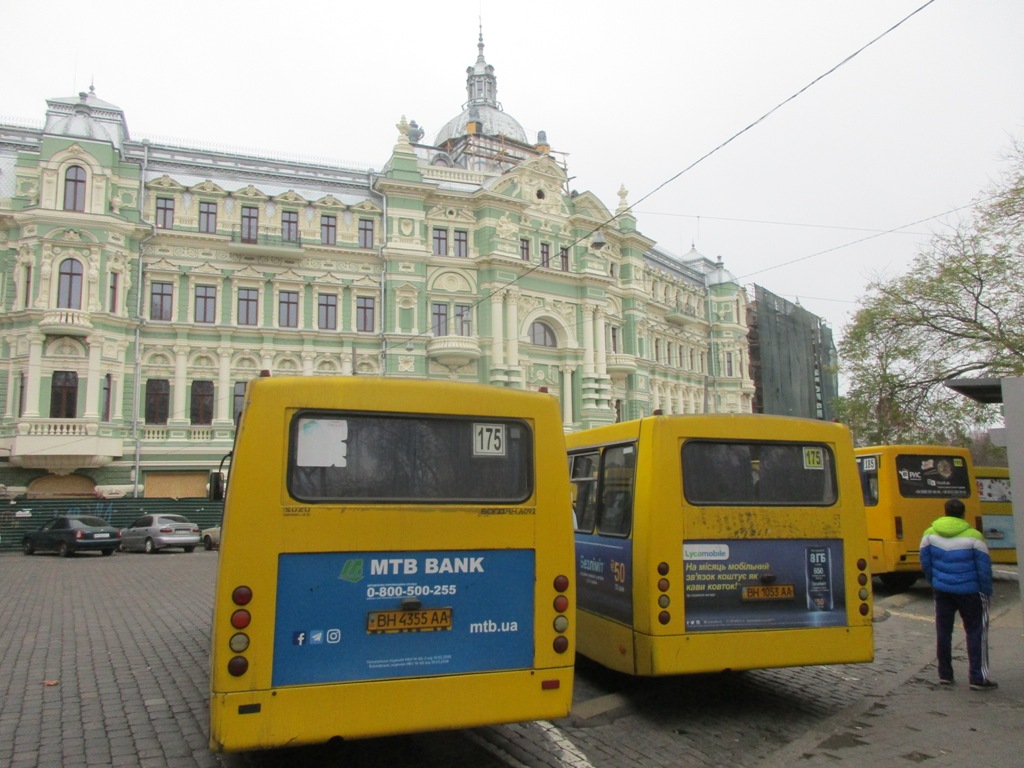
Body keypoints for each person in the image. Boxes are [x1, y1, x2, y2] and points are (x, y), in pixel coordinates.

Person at [919, 498, 997, 690]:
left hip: (942, 590)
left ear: (945, 512)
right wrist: (986, 590)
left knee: (943, 631)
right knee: (976, 631)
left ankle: (945, 674)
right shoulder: (974, 537)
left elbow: (925, 562)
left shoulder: (929, 534)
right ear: (963, 513)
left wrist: (934, 581)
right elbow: (984, 568)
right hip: (970, 592)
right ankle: (977, 677)